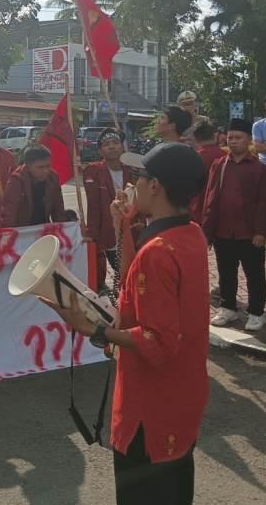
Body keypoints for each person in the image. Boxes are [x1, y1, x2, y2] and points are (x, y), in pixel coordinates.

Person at [45, 142, 209, 505]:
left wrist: (96, 330)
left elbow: (158, 342)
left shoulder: (158, 251)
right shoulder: (191, 234)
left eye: (140, 177)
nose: (133, 184)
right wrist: (123, 224)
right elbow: (134, 285)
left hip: (150, 406)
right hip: (182, 394)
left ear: (156, 186)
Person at [204, 119, 266, 332]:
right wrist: (208, 231)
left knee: (255, 275)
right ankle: (228, 308)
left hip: (249, 233)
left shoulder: (259, 169)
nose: (233, 141)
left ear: (249, 140)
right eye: (230, 137)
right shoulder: (219, 165)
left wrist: (261, 231)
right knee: (225, 273)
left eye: (238, 138)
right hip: (223, 231)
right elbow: (210, 197)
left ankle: (256, 313)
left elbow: (264, 202)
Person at [83, 128, 129, 294]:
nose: (111, 147)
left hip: (131, 228)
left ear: (122, 146)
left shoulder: (132, 169)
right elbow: (94, 206)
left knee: (131, 270)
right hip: (109, 230)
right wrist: (92, 233)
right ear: (100, 150)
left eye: (115, 142)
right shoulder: (93, 171)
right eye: (106, 144)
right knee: (120, 269)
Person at [1, 146, 68, 227]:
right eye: (40, 167)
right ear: (28, 167)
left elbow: (58, 210)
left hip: (44, 227)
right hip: (22, 229)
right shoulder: (16, 180)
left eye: (48, 166)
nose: (46, 171)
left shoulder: (53, 177)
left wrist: (62, 229)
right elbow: (8, 214)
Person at [189, 120, 225, 223]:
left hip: (198, 210)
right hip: (221, 208)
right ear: (215, 136)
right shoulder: (225, 156)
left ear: (196, 138)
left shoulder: (194, 157)